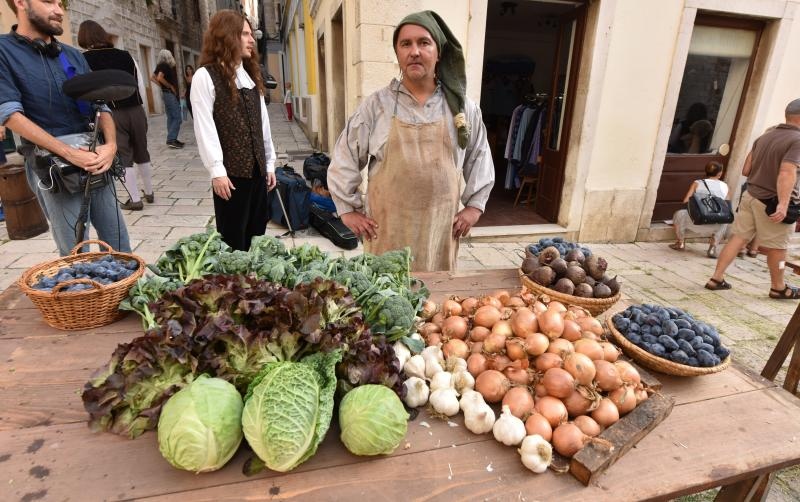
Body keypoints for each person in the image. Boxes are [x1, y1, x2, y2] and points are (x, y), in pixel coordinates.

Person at [327, 10, 495, 272]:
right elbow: (344, 157)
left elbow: (479, 156)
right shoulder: (376, 106)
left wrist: (474, 206)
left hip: (439, 232)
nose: (414, 51)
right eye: (406, 44)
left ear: (438, 52)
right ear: (398, 53)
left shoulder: (463, 109)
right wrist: (347, 210)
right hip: (387, 230)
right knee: (385, 298)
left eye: (423, 42)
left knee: (436, 305)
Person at [0, 0, 130, 255]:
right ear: (20, 3)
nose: (59, 10)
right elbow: (9, 114)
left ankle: (122, 292)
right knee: (74, 253)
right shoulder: (3, 52)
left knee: (119, 244)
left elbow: (101, 106)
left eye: (60, 3)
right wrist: (69, 153)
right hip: (52, 168)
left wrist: (111, 146)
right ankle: (82, 294)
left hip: (95, 158)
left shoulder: (72, 55)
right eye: (49, 2)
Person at [190, 10, 277, 251]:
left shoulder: (250, 75)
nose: (252, 40)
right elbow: (204, 127)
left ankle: (254, 283)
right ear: (228, 36)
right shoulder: (205, 77)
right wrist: (216, 170)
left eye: (251, 34)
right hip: (231, 176)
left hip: (258, 172)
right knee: (232, 240)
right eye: (245, 34)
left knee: (257, 234)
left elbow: (263, 124)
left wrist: (269, 162)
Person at [705, 99, 800, 299]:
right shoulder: (798, 140)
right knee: (779, 248)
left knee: (737, 238)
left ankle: (716, 278)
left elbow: (746, 170)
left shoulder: (765, 137)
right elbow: (787, 172)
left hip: (750, 195)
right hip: (773, 202)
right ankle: (778, 286)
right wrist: (783, 204)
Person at [78, 20, 154, 211]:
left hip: (111, 113)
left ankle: (135, 199)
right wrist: (139, 107)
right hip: (136, 108)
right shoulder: (126, 56)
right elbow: (139, 82)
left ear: (83, 37)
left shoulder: (83, 59)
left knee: (123, 155)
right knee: (141, 150)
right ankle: (150, 192)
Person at [668, 161, 729, 258]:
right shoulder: (724, 186)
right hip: (715, 224)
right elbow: (726, 205)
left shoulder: (697, 183)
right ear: (720, 173)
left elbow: (686, 201)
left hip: (696, 221)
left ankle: (681, 243)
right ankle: (713, 248)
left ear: (706, 171)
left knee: (679, 214)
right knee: (725, 220)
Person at [151, 49, 183, 148]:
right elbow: (159, 78)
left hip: (165, 94)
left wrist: (162, 86)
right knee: (177, 117)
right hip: (169, 94)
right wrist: (169, 86)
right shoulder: (165, 66)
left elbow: (152, 77)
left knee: (171, 117)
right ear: (169, 56)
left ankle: (172, 139)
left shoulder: (160, 66)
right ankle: (171, 139)